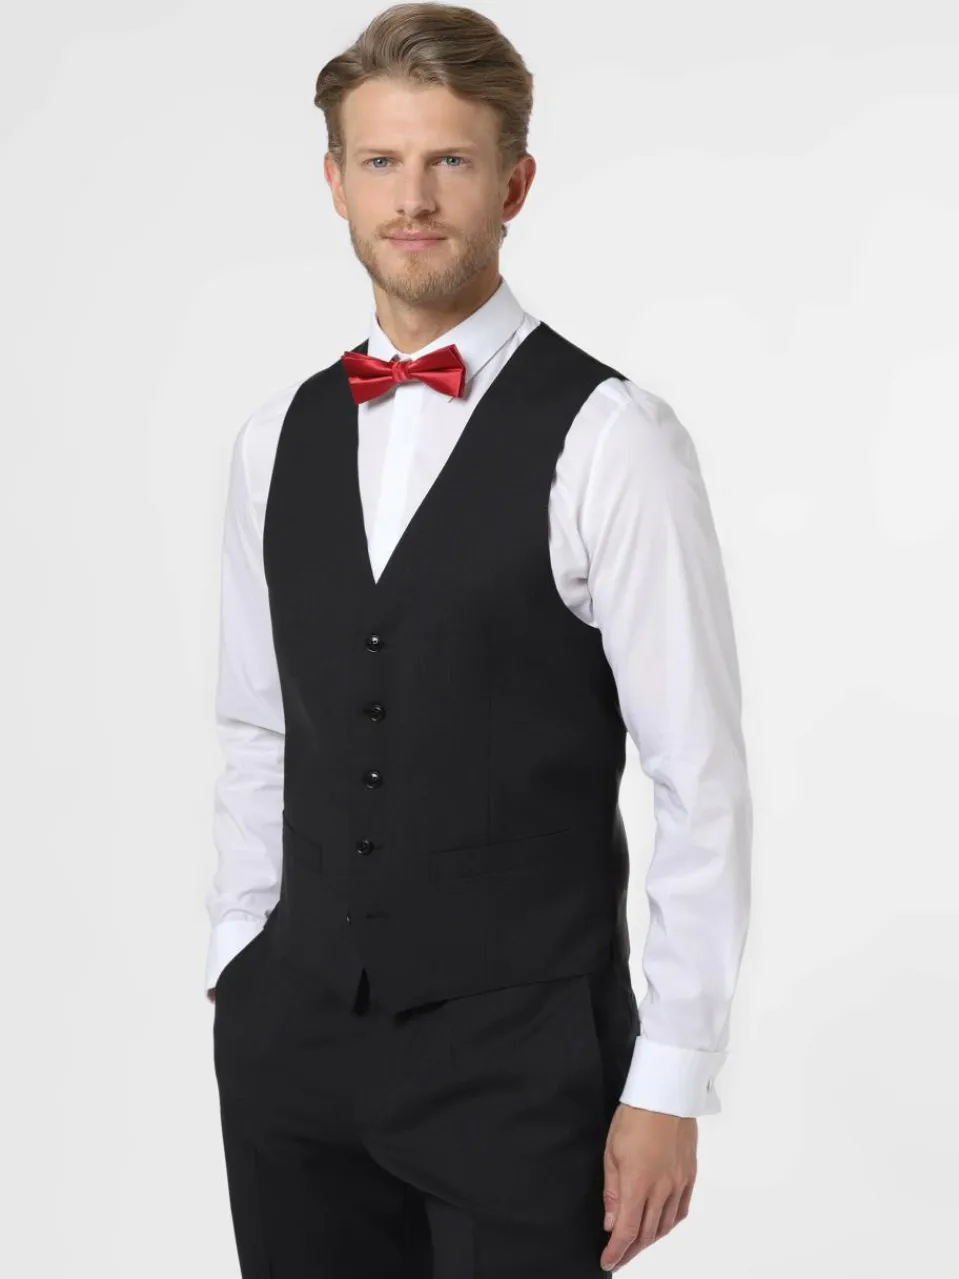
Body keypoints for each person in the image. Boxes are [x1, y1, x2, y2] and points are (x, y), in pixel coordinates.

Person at [204, 4, 753, 1275]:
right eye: (381, 161)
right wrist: (240, 959)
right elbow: (256, 724)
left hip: (522, 1064)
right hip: (293, 1048)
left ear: (513, 183)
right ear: (334, 182)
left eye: (449, 160)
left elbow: (698, 777)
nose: (412, 199)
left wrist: (669, 1078)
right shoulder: (272, 440)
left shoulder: (613, 439)